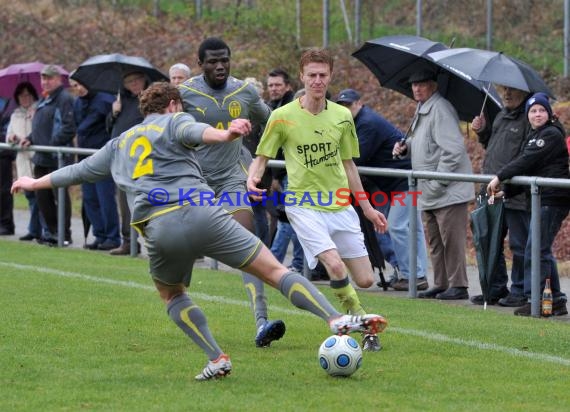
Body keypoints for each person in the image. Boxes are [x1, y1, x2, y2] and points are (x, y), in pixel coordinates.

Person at [10, 82, 387, 380]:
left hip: (158, 229)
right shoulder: (175, 120)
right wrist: (227, 135)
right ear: (173, 105)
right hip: (206, 213)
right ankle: (334, 319)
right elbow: (197, 130)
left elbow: (77, 171)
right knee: (275, 270)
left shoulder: (119, 143)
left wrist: (32, 182)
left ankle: (217, 357)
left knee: (172, 294)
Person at [247, 48, 389, 352]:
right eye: (311, 75)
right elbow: (262, 157)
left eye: (322, 75)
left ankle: (356, 311)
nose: (317, 80)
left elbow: (350, 165)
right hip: (303, 204)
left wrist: (367, 207)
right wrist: (251, 179)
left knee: (364, 280)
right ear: (301, 76)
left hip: (340, 204)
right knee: (335, 267)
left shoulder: (341, 116)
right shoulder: (282, 117)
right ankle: (362, 323)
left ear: (331, 77)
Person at [178, 37, 285, 348]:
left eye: (224, 59)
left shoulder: (245, 91)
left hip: (230, 181)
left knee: (247, 246)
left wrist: (265, 165)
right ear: (200, 64)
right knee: (180, 252)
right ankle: (179, 303)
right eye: (212, 61)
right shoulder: (185, 94)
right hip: (194, 182)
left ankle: (262, 321)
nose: (220, 65)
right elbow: (165, 130)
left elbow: (274, 123)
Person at [336, 88, 429, 291]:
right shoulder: (355, 123)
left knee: (396, 226)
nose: (345, 109)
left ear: (359, 103)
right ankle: (416, 274)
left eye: (349, 105)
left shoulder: (367, 122)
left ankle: (414, 275)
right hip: (393, 182)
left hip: (403, 181)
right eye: (341, 106)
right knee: (411, 228)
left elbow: (357, 156)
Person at [393, 69, 474, 300]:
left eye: (422, 84)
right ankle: (441, 283)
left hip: (447, 190)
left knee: (452, 242)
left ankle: (458, 285)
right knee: (436, 242)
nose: (416, 88)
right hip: (429, 191)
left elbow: (453, 151)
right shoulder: (423, 108)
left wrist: (438, 182)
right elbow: (425, 142)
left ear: (433, 86)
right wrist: (405, 147)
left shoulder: (440, 109)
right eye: (413, 85)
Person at [487, 93, 570, 316]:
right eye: (533, 111)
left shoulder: (550, 135)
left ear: (549, 113)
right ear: (528, 115)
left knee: (537, 250)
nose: (537, 114)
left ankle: (538, 302)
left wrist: (499, 177)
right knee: (541, 250)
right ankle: (555, 300)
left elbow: (526, 161)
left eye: (541, 110)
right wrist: (507, 190)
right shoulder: (535, 136)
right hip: (542, 198)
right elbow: (529, 169)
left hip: (552, 200)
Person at [469, 85, 532, 307]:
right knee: (489, 240)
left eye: (512, 90)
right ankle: (495, 288)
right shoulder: (501, 116)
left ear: (525, 93)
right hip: (491, 190)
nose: (506, 94)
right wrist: (482, 131)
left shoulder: (529, 118)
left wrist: (507, 179)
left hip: (514, 192)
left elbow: (528, 157)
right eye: (504, 90)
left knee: (518, 244)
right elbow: (492, 145)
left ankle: (520, 290)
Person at [19, 64, 76, 246]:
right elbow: (41, 126)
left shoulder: (64, 98)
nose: (45, 82)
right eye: (43, 78)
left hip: (56, 157)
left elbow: (68, 128)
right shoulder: (46, 99)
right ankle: (51, 232)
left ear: (58, 79)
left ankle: (63, 235)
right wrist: (29, 138)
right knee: (42, 197)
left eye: (49, 78)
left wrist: (49, 146)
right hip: (42, 157)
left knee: (59, 196)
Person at [69, 78, 120, 251]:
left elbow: (111, 124)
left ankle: (113, 237)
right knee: (90, 198)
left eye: (81, 84)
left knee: (105, 197)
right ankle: (100, 235)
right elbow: (77, 127)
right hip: (84, 157)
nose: (79, 88)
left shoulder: (106, 100)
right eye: (75, 86)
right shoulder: (77, 103)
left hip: (102, 156)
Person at [106, 71, 148, 255]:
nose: (133, 84)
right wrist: (114, 113)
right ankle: (128, 241)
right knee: (124, 202)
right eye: (129, 81)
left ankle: (160, 242)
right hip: (121, 159)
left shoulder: (149, 100)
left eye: (137, 80)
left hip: (143, 160)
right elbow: (109, 128)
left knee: (147, 202)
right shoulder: (121, 100)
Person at [6, 82, 46, 241]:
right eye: (22, 95)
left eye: (28, 95)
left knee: (41, 197)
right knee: (30, 197)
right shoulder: (15, 114)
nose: (25, 98)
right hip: (22, 160)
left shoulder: (38, 111)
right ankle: (34, 229)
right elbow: (10, 132)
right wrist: (12, 138)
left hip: (36, 159)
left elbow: (40, 132)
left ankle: (42, 229)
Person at [0, 99, 15, 236]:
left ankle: (6, 223)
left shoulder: (10, 101)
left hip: (4, 153)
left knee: (4, 189)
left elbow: (8, 127)